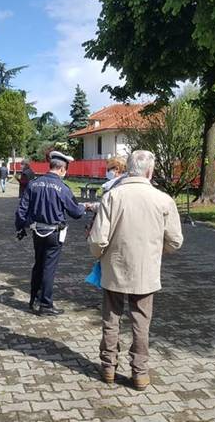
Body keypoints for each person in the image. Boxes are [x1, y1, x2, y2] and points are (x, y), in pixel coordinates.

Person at [88, 150, 184, 389]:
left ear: (127, 169)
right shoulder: (163, 199)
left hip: (114, 269)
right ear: (150, 171)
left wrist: (100, 257)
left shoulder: (112, 196)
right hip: (146, 271)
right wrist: (154, 251)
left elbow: (98, 239)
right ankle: (140, 373)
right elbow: (175, 241)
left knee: (111, 321)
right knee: (141, 323)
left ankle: (108, 367)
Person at [15, 151, 89, 316]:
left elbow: (22, 209)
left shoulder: (34, 184)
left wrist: (20, 227)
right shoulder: (62, 188)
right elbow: (76, 212)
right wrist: (85, 207)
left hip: (37, 232)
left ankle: (34, 298)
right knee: (49, 268)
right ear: (62, 169)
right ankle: (46, 305)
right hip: (54, 234)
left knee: (38, 265)